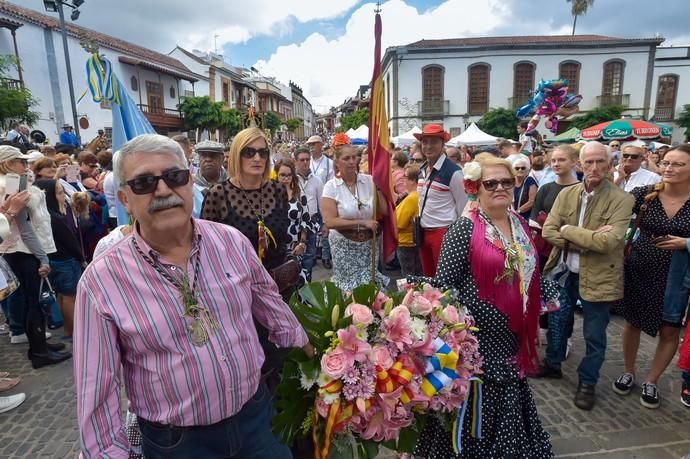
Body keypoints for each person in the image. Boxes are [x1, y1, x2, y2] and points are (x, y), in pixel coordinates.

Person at [74, 133, 311, 458]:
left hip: (256, 419)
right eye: (144, 182)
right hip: (178, 443)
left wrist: (321, 363)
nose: (163, 190)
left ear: (189, 182)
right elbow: (97, 390)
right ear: (125, 199)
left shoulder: (231, 242)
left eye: (174, 176)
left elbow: (273, 308)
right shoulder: (101, 281)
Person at [413, 153, 555, 458]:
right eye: (491, 183)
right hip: (477, 346)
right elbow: (443, 289)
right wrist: (458, 338)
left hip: (511, 340)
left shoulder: (519, 223)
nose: (500, 187)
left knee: (508, 404)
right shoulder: (463, 229)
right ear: (475, 187)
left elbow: (528, 272)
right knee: (477, 411)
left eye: (507, 181)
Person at [540, 141, 634, 410]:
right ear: (580, 165)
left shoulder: (622, 199)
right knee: (558, 322)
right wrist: (589, 237)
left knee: (594, 334)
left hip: (601, 276)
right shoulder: (567, 194)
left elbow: (610, 242)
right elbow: (548, 231)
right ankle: (553, 363)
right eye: (589, 162)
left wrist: (567, 230)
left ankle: (587, 381)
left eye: (600, 162)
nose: (594, 167)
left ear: (609, 164)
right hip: (564, 270)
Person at [612, 144, 690, 409]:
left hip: (678, 275)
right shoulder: (644, 194)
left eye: (678, 164)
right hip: (641, 265)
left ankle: (652, 380)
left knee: (669, 329)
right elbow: (613, 214)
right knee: (632, 321)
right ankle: (629, 370)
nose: (669, 168)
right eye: (667, 162)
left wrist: (686, 243)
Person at [0, 146, 71, 367]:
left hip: (19, 248)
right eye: (21, 161)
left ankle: (40, 346)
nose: (26, 165)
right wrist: (42, 257)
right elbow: (24, 226)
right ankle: (39, 352)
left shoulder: (11, 183)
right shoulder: (9, 185)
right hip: (24, 249)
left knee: (33, 300)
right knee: (34, 300)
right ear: (9, 163)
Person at [321, 133, 389, 291]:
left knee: (370, 284)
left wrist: (379, 187)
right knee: (348, 288)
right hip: (343, 245)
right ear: (337, 163)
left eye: (354, 157)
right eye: (346, 158)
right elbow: (330, 221)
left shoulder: (369, 180)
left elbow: (384, 210)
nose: (352, 162)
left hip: (368, 245)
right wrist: (362, 222)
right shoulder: (331, 187)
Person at [33, 179, 85, 340]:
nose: (64, 196)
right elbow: (70, 242)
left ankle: (68, 330)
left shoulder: (42, 215)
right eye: (60, 192)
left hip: (53, 259)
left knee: (62, 295)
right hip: (65, 260)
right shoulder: (55, 218)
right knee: (70, 296)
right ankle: (73, 331)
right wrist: (82, 259)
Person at [415, 124, 467, 276]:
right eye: (425, 142)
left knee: (445, 280)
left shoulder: (454, 172)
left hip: (444, 233)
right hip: (423, 233)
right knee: (429, 279)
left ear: (442, 144)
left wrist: (457, 239)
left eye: (434, 142)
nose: (428, 146)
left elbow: (463, 209)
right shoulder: (422, 170)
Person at [275, 158, 313, 285]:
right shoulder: (269, 195)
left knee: (296, 280)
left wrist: (302, 243)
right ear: (276, 175)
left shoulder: (299, 194)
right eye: (282, 175)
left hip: (294, 247)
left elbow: (305, 220)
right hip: (274, 248)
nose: (285, 178)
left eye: (288, 175)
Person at [294, 146, 324, 282]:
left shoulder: (317, 181)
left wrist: (324, 224)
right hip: (294, 225)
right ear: (295, 161)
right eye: (301, 160)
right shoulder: (291, 180)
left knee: (310, 256)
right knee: (294, 257)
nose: (305, 162)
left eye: (307, 159)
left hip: (311, 223)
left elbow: (321, 204)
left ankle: (308, 285)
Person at [306, 135, 334, 269]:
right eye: (309, 145)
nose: (311, 147)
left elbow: (332, 181)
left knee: (326, 226)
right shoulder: (307, 161)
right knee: (311, 225)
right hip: (311, 195)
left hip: (324, 197)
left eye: (313, 144)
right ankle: (314, 253)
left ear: (320, 145)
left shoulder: (329, 163)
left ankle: (326, 256)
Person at [395, 165, 421, 277]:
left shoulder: (412, 198)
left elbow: (399, 223)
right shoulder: (415, 195)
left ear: (413, 180)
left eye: (405, 176)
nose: (403, 179)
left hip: (407, 242)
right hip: (412, 241)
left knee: (409, 276)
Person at [192, 141, 227, 218]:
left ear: (222, 159)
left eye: (213, 155)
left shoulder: (233, 186)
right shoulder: (190, 189)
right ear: (199, 159)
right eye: (204, 155)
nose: (208, 159)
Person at [512, 156, 538, 220]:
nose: (520, 170)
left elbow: (531, 202)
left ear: (527, 170)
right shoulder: (511, 181)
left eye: (523, 168)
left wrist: (517, 212)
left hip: (526, 217)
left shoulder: (530, 181)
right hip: (512, 215)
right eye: (517, 168)